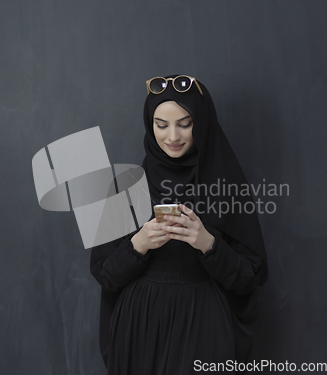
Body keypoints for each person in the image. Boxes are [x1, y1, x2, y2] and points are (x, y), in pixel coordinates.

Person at [90, 74, 268, 374]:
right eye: (161, 125)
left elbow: (250, 279)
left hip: (203, 327)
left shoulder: (227, 187)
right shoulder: (125, 187)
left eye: (184, 123)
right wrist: (139, 245)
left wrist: (208, 244)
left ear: (201, 122)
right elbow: (105, 276)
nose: (172, 136)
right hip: (140, 327)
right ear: (150, 125)